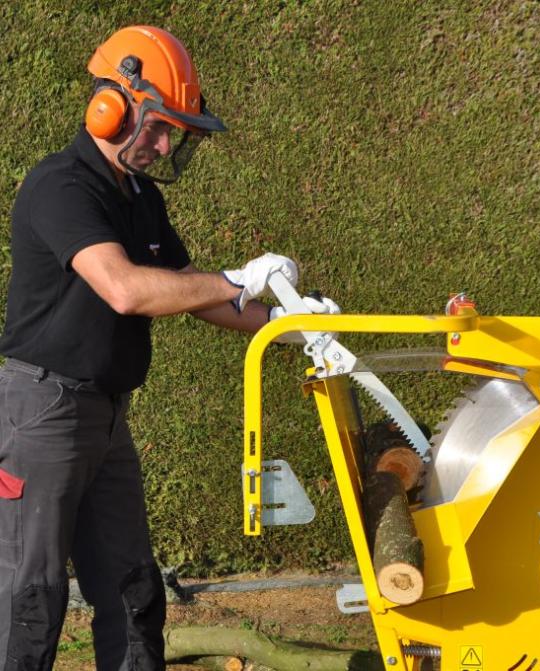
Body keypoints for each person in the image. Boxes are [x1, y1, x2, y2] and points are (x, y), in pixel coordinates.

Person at [0, 25, 337, 671]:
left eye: (170, 133)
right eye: (155, 126)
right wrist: (239, 277)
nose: (161, 144)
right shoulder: (61, 185)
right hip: (41, 410)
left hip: (105, 415)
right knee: (30, 596)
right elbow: (125, 289)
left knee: (132, 588)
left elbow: (192, 291)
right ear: (111, 105)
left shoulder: (139, 195)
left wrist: (291, 325)